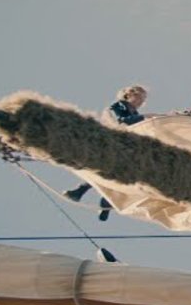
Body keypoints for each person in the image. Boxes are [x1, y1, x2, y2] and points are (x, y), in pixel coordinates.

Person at [64, 84, 150, 220]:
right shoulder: (119, 106)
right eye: (138, 96)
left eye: (143, 99)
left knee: (115, 175)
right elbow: (123, 121)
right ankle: (82, 193)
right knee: (104, 169)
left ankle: (104, 203)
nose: (141, 101)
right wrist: (148, 118)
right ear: (128, 95)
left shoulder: (135, 114)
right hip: (112, 142)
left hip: (124, 146)